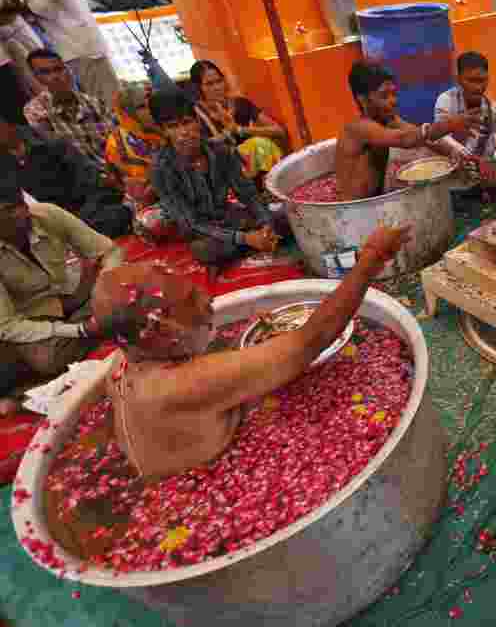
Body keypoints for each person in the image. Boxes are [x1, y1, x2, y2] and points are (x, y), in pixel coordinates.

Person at [92, 225, 408, 480]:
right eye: (190, 298)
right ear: (161, 330)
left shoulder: (122, 363)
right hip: (196, 490)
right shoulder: (181, 384)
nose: (206, 297)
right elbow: (308, 342)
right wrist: (371, 258)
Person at [0, 171, 124, 415]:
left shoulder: (46, 214)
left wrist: (106, 287)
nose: (22, 214)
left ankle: (105, 322)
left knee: (128, 289)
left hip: (78, 296)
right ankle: (107, 324)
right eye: (8, 211)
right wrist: (78, 329)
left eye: (20, 205)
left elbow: (108, 251)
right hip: (33, 320)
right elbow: (8, 325)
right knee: (48, 359)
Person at [147, 88, 281, 264]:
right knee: (206, 250)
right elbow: (191, 223)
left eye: (187, 122)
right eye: (173, 126)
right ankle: (253, 242)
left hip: (229, 217)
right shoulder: (161, 169)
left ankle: (260, 238)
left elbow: (248, 195)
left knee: (282, 217)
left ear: (197, 121)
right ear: (164, 131)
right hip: (202, 232)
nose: (183, 132)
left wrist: (266, 225)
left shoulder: (220, 151)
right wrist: (245, 238)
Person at [335, 61, 482, 202]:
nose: (393, 101)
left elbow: (422, 137)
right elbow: (405, 139)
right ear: (363, 100)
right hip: (353, 210)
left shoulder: (389, 120)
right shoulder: (358, 129)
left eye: (394, 93)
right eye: (384, 95)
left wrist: (457, 153)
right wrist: (451, 124)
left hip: (376, 200)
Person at [0, 119, 132, 238]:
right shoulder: (5, 163)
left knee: (92, 223)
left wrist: (73, 218)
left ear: (6, 125)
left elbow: (88, 176)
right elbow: (14, 202)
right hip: (56, 216)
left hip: (90, 199)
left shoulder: (45, 139)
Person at [12, 0, 120, 107]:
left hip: (77, 40)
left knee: (107, 101)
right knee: (105, 100)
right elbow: (42, 3)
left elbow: (41, 4)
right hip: (77, 40)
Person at [190, 60, 287, 184]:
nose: (217, 87)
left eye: (219, 81)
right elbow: (199, 151)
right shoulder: (196, 115)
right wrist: (225, 135)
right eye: (209, 84)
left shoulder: (240, 103)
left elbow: (279, 131)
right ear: (199, 89)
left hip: (253, 170)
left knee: (260, 144)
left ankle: (271, 188)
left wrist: (239, 129)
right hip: (222, 176)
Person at [23, 48, 114, 168]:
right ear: (36, 77)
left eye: (59, 69)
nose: (55, 76)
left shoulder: (93, 102)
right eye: (45, 72)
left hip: (116, 169)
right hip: (85, 179)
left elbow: (116, 139)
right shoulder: (35, 110)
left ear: (67, 70)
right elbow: (60, 155)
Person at [433, 51, 496, 184]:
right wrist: (471, 157)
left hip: (479, 177)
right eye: (471, 80)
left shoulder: (493, 110)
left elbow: (493, 145)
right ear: (458, 79)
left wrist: (491, 164)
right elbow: (439, 136)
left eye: (482, 80)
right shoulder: (446, 101)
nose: (478, 87)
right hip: (450, 174)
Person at [104, 85, 165, 209]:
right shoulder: (116, 144)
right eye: (141, 107)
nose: (149, 109)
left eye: (150, 103)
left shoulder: (162, 128)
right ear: (127, 112)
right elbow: (137, 190)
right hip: (145, 206)